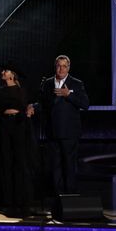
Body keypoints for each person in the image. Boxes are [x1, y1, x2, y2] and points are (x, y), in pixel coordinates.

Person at [0, 62, 37, 217]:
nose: (2, 72)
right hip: (5, 126)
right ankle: (9, 200)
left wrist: (29, 109)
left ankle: (23, 200)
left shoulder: (22, 91)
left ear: (12, 75)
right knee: (6, 162)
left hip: (20, 125)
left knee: (20, 162)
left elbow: (27, 106)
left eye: (5, 70)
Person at [38, 54, 89, 196]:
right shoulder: (47, 83)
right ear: (55, 67)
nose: (61, 69)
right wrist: (33, 107)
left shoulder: (76, 83)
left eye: (64, 66)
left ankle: (70, 195)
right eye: (58, 66)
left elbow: (85, 104)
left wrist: (68, 95)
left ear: (68, 68)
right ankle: (57, 196)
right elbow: (43, 103)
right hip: (52, 131)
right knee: (55, 165)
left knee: (69, 165)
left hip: (69, 133)